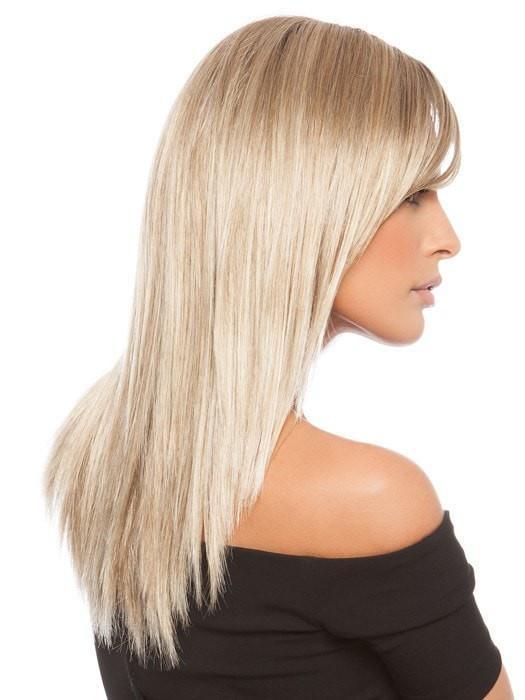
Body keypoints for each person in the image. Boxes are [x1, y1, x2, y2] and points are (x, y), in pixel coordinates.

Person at [43, 15, 514, 699]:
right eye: (412, 194)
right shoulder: (372, 500)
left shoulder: (104, 449)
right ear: (305, 203)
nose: (447, 238)